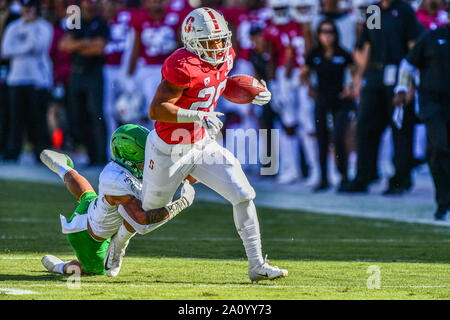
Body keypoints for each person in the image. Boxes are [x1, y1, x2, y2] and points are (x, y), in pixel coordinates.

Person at [138, 7, 287, 282]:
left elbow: (219, 84)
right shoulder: (181, 65)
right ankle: (118, 241)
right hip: (169, 148)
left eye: (221, 39)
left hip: (202, 143)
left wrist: (250, 92)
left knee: (243, 193)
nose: (219, 46)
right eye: (211, 41)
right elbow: (157, 109)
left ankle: (256, 264)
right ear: (192, 42)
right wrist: (197, 115)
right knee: (148, 216)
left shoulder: (226, 56)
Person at [40, 124, 196, 276]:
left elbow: (176, 174)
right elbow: (141, 220)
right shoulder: (117, 180)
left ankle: (62, 167)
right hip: (88, 239)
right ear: (132, 156)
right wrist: (181, 204)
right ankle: (61, 267)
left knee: (88, 195)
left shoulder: (122, 171)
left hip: (90, 209)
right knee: (94, 269)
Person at [347, 0, 425, 194]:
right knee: (365, 125)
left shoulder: (404, 10)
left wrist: (411, 84)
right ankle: (365, 175)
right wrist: (358, 78)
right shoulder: (375, 11)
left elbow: (413, 46)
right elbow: (368, 45)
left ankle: (401, 178)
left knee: (400, 127)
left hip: (399, 74)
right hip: (375, 75)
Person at [393, 0, 450, 220]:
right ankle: (443, 201)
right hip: (433, 102)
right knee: (439, 148)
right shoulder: (431, 38)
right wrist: (401, 88)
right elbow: (408, 64)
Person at [302, 19, 356, 192]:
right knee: (321, 139)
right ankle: (324, 177)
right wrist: (310, 88)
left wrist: (351, 88)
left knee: (339, 137)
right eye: (324, 32)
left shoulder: (343, 53)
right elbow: (304, 73)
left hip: (341, 101)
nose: (327, 36)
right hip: (322, 100)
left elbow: (355, 73)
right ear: (319, 35)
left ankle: (344, 176)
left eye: (330, 32)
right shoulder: (314, 54)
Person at [1, 0, 52, 162]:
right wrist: (25, 48)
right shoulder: (14, 26)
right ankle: (12, 152)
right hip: (16, 78)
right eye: (25, 7)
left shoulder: (44, 26)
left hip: (38, 79)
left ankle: (41, 154)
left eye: (30, 7)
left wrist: (29, 31)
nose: (27, 10)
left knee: (37, 119)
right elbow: (5, 51)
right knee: (15, 119)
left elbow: (38, 47)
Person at [59, 0, 109, 165]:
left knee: (96, 115)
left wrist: (77, 45)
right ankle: (90, 153)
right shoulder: (75, 22)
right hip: (77, 74)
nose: (90, 5)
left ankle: (99, 156)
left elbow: (99, 48)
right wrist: (87, 43)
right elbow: (64, 45)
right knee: (77, 115)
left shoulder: (101, 23)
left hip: (93, 74)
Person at [0, 0, 19, 159]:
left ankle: (7, 147)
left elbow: (8, 50)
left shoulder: (15, 18)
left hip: (10, 69)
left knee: (7, 110)